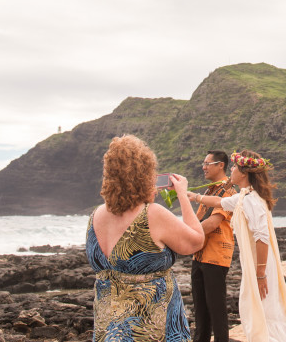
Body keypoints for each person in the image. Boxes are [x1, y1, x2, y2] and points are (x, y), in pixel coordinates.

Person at [86, 135, 205, 342]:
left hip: (109, 329)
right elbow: (195, 242)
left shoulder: (96, 216)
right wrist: (183, 196)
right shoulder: (152, 214)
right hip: (150, 330)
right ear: (145, 174)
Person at [191, 151, 286, 342]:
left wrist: (260, 274)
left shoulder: (253, 200)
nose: (232, 170)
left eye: (234, 167)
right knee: (253, 310)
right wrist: (194, 197)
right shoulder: (245, 196)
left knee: (262, 312)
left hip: (261, 264)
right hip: (253, 263)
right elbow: (220, 202)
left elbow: (262, 237)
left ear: (243, 173)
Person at [191, 150, 237, 342]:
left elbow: (211, 223)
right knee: (200, 312)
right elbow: (197, 220)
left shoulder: (228, 192)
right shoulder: (209, 191)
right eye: (203, 163)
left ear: (221, 165)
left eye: (208, 163)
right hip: (199, 256)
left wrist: (187, 236)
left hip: (216, 257)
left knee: (216, 312)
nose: (204, 167)